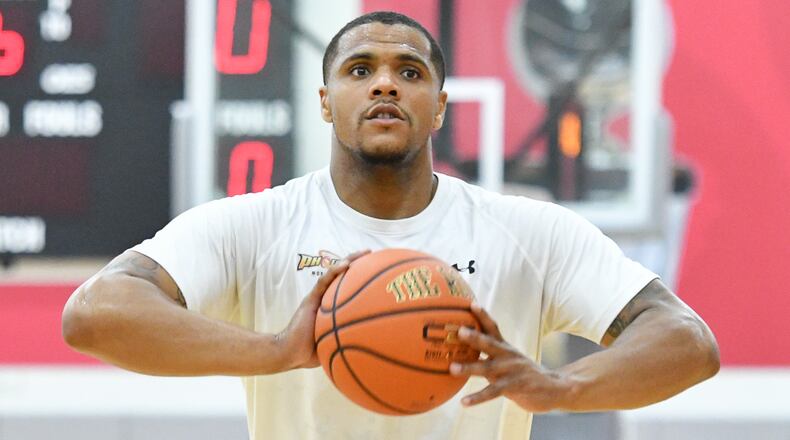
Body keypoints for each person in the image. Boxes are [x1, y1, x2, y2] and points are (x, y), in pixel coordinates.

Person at [61, 11, 719, 440]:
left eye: (409, 72)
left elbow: (688, 341)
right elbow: (94, 314)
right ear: (325, 102)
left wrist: (562, 387)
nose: (385, 86)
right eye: (359, 70)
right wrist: (278, 350)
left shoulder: (530, 233)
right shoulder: (254, 226)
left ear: (438, 108)